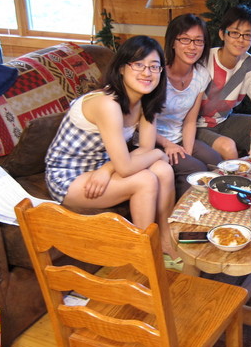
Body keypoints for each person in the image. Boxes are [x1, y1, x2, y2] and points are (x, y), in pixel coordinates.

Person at [45, 35, 177, 258]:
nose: (147, 73)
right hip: (68, 175)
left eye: (154, 67)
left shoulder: (146, 101)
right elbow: (132, 163)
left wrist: (107, 169)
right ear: (122, 68)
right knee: (145, 179)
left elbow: (144, 150)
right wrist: (158, 152)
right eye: (139, 65)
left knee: (163, 170)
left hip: (103, 166)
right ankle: (144, 255)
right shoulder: (107, 103)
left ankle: (165, 240)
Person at [196, 4, 251, 159]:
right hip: (197, 126)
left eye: (247, 35)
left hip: (225, 121)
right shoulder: (204, 59)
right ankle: (235, 175)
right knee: (228, 147)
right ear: (222, 34)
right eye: (234, 33)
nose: (241, 40)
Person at [156, 13, 223, 199]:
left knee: (215, 161)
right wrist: (168, 144)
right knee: (194, 168)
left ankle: (213, 208)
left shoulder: (201, 75)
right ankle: (183, 212)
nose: (192, 46)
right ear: (173, 42)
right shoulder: (156, 73)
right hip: (151, 141)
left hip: (178, 137)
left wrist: (187, 151)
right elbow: (140, 124)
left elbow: (190, 121)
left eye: (198, 41)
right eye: (185, 39)